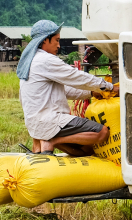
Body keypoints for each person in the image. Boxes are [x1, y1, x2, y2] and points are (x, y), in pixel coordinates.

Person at [17, 20, 117, 156]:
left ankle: (48, 141)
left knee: (86, 150)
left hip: (35, 124)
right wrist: (109, 87)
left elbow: (64, 91)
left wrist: (91, 92)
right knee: (102, 133)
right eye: (56, 40)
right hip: (50, 120)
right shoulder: (46, 60)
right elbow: (76, 77)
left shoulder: (31, 61)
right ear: (45, 40)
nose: (58, 45)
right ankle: (52, 142)